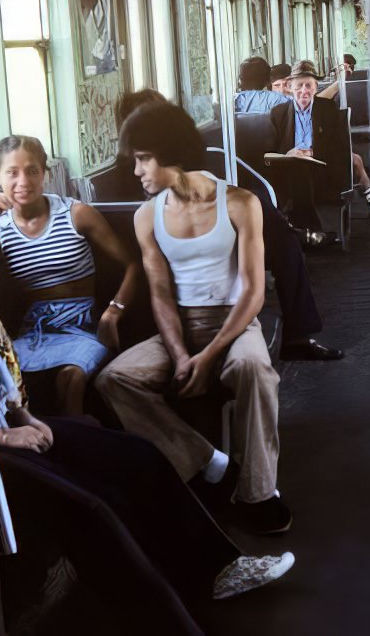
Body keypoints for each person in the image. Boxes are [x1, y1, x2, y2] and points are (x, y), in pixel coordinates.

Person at [0, 167, 294, 633]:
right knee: (95, 504)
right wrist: (3, 435)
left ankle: (219, 567)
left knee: (135, 454)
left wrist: (25, 417)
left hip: (0, 432)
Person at [96, 102, 293, 535]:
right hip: (182, 324)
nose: (137, 171)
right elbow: (161, 294)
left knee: (253, 369)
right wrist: (182, 354)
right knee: (115, 378)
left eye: (143, 158)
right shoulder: (146, 216)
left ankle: (259, 492)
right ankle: (206, 461)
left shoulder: (240, 203)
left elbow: (252, 291)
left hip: (235, 320)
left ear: (168, 153)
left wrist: (210, 357)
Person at [98, 90, 343, 363]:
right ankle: (298, 235)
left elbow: (198, 183)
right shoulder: (132, 164)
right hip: (159, 231)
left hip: (203, 215)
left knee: (277, 233)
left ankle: (296, 331)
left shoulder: (179, 152)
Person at [0, 136, 140, 416]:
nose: (23, 181)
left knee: (70, 380)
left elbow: (133, 264)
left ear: (45, 173)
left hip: (83, 326)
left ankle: (77, 449)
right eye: (12, 172)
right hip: (35, 331)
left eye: (32, 170)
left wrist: (113, 312)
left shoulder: (76, 214)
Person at [268, 62, 370, 232]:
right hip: (289, 172)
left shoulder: (328, 110)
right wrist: (289, 153)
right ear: (290, 87)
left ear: (315, 88)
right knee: (296, 171)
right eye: (299, 86)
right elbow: (273, 149)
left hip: (323, 171)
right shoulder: (278, 113)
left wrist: (312, 152)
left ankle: (306, 228)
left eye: (308, 85)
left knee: (304, 170)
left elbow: (340, 148)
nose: (303, 90)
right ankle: (308, 229)